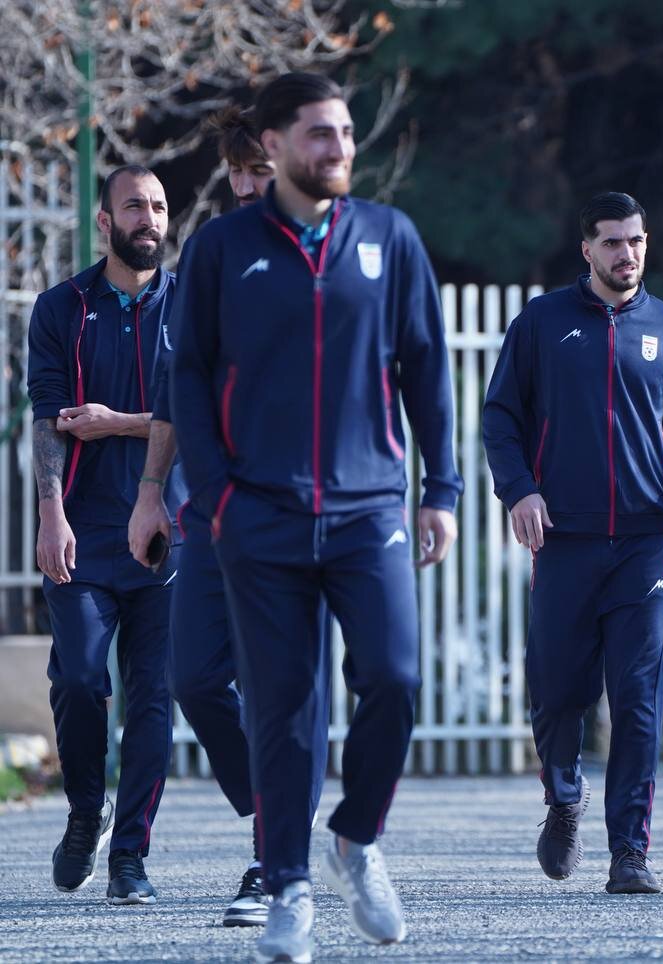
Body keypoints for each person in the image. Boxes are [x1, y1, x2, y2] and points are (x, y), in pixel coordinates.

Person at [171, 72, 461, 962]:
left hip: (370, 508)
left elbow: (426, 368)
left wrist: (441, 490)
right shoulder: (222, 248)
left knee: (395, 678)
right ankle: (289, 888)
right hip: (259, 513)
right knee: (286, 711)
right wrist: (217, 496)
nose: (339, 148)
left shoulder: (389, 237)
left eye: (345, 132)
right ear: (274, 145)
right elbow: (188, 377)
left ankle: (355, 840)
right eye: (319, 134)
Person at [126, 104, 331, 928]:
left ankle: (275, 863)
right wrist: (151, 490)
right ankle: (279, 812)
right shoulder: (210, 255)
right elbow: (176, 387)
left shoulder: (336, 252)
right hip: (212, 509)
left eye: (259, 170)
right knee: (196, 677)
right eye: (237, 171)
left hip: (305, 509)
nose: (246, 185)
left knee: (286, 686)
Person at [482, 191, 663, 895]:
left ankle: (630, 852)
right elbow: (501, 417)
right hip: (565, 538)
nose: (626, 253)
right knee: (557, 689)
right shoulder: (543, 323)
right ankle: (563, 797)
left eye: (635, 240)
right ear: (586, 249)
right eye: (611, 241)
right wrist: (520, 490)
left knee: (637, 698)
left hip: (645, 541)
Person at [27, 165, 184, 905]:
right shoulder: (62, 307)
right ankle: (86, 812)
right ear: (105, 221)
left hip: (169, 532)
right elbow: (48, 415)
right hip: (84, 531)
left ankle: (130, 857)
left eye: (159, 206)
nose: (149, 218)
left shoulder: (192, 307)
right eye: (134, 206)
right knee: (81, 680)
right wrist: (49, 512)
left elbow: (204, 416)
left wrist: (116, 422)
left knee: (153, 696)